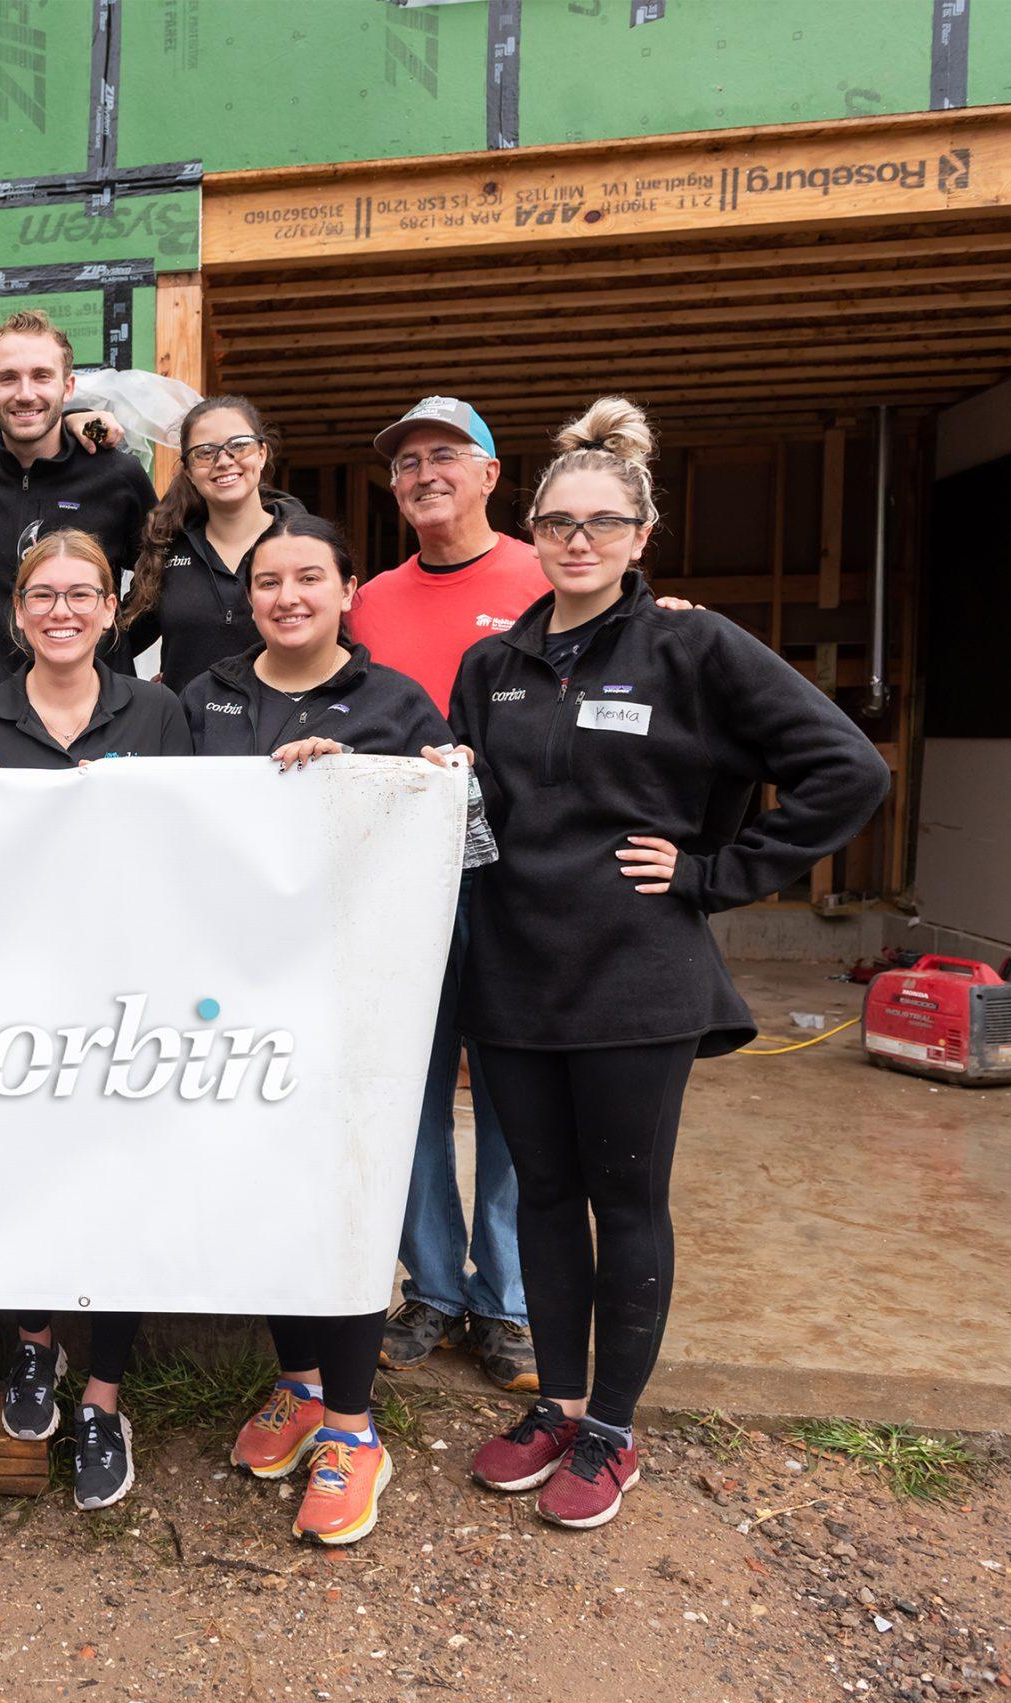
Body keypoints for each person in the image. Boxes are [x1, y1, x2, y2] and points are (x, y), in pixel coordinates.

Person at [451, 398, 887, 1530]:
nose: (577, 540)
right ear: (530, 530)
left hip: (633, 977)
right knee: (540, 1198)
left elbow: (846, 769)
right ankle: (557, 1400)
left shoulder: (692, 647)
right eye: (557, 521)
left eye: (602, 523)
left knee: (623, 1200)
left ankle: (613, 1427)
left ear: (642, 536)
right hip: (513, 970)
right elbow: (481, 810)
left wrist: (712, 874)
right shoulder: (491, 662)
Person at [178, 513, 464, 1548]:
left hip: (354, 1006)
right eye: (267, 581)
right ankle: (298, 1383)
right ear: (244, 597)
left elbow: (459, 843)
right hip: (231, 1003)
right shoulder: (205, 697)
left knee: (341, 1201)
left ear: (348, 590)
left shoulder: (396, 703)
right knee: (260, 1199)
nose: (286, 595)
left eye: (309, 577)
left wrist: (361, 776)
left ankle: (353, 1426)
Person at [0, 529, 191, 1510]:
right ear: (15, 610)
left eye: (80, 594)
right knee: (23, 1183)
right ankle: (34, 1342)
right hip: (14, 1006)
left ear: (108, 608)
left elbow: (196, 843)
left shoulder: (159, 712)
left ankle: (103, 1395)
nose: (60, 610)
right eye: (41, 594)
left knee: (117, 1195)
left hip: (127, 1003)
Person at [346, 394, 544, 1392]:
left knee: (511, 1091)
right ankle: (430, 1282)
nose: (424, 473)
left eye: (445, 456)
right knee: (409, 1090)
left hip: (518, 876)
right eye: (406, 463)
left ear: (490, 474)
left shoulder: (546, 573)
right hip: (402, 884)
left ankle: (507, 1299)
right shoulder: (369, 600)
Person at [0, 310, 157, 706]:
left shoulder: (117, 477)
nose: (25, 393)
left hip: (98, 722)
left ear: (68, 387)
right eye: (8, 378)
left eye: (41, 376)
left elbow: (164, 579)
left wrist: (109, 644)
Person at [121, 394, 308, 692]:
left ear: (261, 453)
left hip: (284, 734)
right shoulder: (167, 548)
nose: (224, 460)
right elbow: (117, 643)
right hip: (185, 734)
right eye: (205, 452)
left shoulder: (308, 545)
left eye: (238, 445)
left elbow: (335, 644)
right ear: (188, 471)